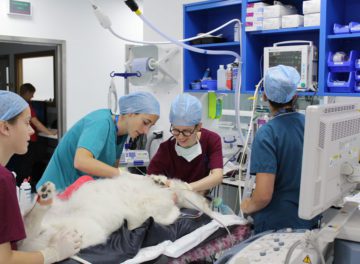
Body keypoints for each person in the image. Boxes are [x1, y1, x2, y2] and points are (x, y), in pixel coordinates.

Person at [0, 90, 81, 264]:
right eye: (27, 123)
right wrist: (53, 253)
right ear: (5, 127)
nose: (31, 131)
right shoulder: (3, 179)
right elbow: (4, 259)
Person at [240, 65, 320, 234]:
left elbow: (262, 196)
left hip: (277, 225)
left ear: (264, 96)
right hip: (309, 219)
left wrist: (247, 205)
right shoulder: (312, 125)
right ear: (295, 96)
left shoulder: (267, 134)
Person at [36, 91, 160, 192]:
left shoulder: (121, 134)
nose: (145, 131)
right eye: (145, 123)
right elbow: (81, 161)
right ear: (130, 113)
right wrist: (124, 176)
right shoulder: (101, 122)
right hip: (55, 193)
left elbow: (111, 165)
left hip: (77, 194)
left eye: (150, 126)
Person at [147, 93, 223, 193]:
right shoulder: (166, 148)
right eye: (176, 130)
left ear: (198, 127)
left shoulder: (211, 140)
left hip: (198, 197)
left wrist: (187, 188)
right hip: (172, 197)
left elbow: (217, 176)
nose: (181, 136)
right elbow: (149, 180)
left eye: (186, 131)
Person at [7, 83, 56, 189]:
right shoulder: (25, 106)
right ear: (28, 92)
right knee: (27, 165)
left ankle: (19, 185)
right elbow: (36, 123)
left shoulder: (14, 103)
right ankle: (26, 186)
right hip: (28, 141)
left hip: (17, 139)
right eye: (32, 94)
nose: (32, 97)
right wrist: (50, 132)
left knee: (20, 164)